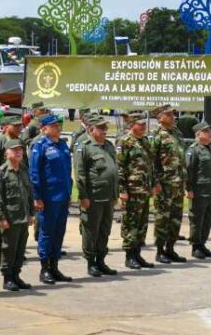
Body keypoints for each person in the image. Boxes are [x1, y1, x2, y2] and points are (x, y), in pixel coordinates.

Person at [74, 115, 120, 277]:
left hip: (108, 196)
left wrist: (116, 193)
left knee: (104, 230)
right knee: (91, 230)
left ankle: (101, 260)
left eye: (105, 128)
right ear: (91, 129)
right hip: (93, 196)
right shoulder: (84, 146)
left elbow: (114, 170)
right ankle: (90, 262)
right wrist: (83, 196)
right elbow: (80, 174)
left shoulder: (108, 145)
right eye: (101, 128)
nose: (105, 131)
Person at [29, 114, 73, 284]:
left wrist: (69, 194)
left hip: (62, 196)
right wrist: (37, 197)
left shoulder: (62, 145)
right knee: (47, 233)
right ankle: (45, 269)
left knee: (59, 233)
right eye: (53, 126)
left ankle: (55, 267)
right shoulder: (40, 146)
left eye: (58, 125)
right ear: (44, 129)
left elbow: (67, 171)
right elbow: (34, 173)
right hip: (48, 198)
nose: (58, 128)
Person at [116, 113, 158, 269]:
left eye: (144, 124)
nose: (143, 127)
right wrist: (122, 190)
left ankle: (138, 254)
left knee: (142, 223)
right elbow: (119, 167)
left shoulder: (145, 141)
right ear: (132, 124)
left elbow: (150, 165)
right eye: (140, 124)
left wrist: (154, 184)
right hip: (132, 190)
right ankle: (129, 256)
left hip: (144, 189)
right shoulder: (124, 141)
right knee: (131, 223)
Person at [149, 104, 188, 264]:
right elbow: (151, 162)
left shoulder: (176, 133)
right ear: (160, 118)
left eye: (173, 114)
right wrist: (155, 182)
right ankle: (160, 251)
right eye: (170, 115)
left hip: (178, 184)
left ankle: (170, 248)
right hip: (164, 185)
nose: (173, 117)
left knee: (175, 218)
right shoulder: (156, 135)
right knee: (162, 218)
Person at [0, 138, 34, 291]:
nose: (18, 152)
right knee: (8, 249)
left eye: (20, 150)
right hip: (10, 218)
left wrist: (31, 213)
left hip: (23, 217)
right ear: (6, 153)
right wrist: (1, 218)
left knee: (20, 249)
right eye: (15, 150)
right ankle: (7, 278)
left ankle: (16, 275)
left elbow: (29, 193)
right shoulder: (1, 173)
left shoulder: (23, 170)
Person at [185, 122, 211, 259]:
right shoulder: (193, 150)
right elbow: (188, 171)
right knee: (197, 220)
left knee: (207, 219)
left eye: (210, 131)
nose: (210, 133)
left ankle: (202, 243)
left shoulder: (210, 148)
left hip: (209, 191)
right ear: (198, 135)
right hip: (198, 191)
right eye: (206, 131)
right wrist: (189, 189)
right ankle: (195, 246)